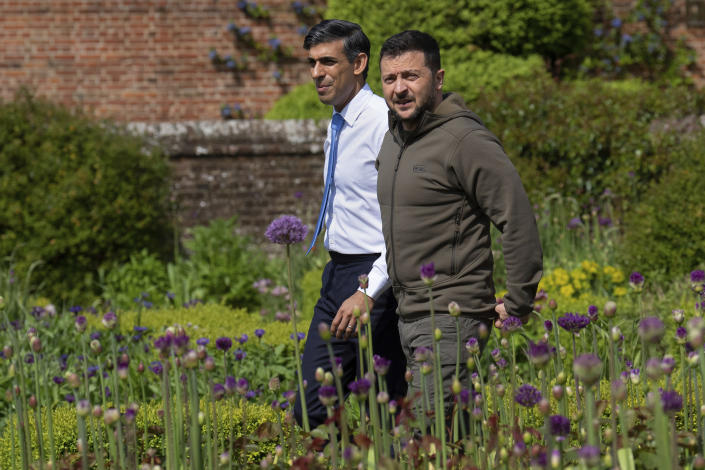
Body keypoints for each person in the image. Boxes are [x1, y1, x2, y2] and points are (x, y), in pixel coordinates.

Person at [375, 30, 543, 416]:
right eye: (390, 79)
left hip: (451, 315)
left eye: (411, 76)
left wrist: (518, 301)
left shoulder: (465, 140)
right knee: (456, 439)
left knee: (427, 436)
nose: (399, 88)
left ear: (438, 78)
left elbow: (515, 218)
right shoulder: (395, 139)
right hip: (408, 312)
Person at [293, 19, 406, 430]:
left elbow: (403, 220)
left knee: (334, 404)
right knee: (382, 403)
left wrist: (368, 289)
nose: (316, 73)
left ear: (359, 63)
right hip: (338, 271)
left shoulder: (381, 122)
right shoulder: (340, 120)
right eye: (311, 63)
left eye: (327, 62)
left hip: (372, 275)